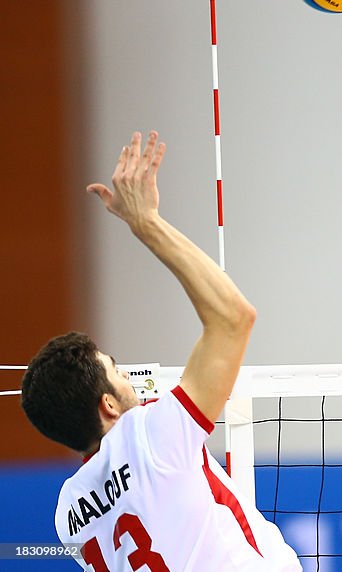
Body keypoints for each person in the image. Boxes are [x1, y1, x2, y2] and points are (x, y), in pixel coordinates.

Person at [21, 132, 301, 571]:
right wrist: (145, 222)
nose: (128, 375)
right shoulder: (152, 435)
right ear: (108, 405)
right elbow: (233, 318)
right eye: (115, 369)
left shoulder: (68, 514)